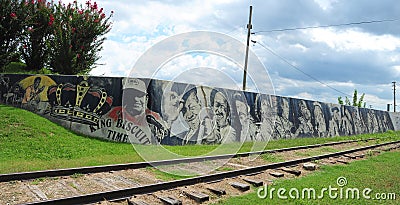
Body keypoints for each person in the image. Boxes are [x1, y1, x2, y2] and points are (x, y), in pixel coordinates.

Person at [108, 78, 160, 144]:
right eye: (131, 95)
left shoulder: (155, 118)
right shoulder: (113, 113)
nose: (135, 99)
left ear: (146, 98)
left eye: (140, 95)